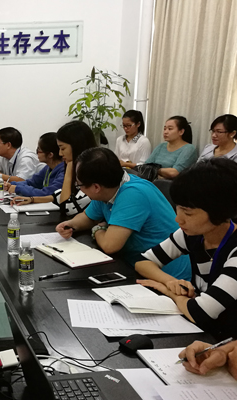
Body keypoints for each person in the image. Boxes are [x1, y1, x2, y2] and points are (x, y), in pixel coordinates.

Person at [135, 158, 237, 338]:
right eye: (178, 209)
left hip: (225, 339)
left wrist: (168, 291)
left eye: (188, 213)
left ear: (219, 211)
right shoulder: (193, 234)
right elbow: (143, 262)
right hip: (199, 330)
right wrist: (170, 281)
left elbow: (201, 313)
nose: (178, 219)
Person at [55, 148, 191, 279]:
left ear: (96, 187)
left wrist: (97, 230)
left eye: (79, 185)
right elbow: (88, 217)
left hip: (167, 276)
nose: (81, 190)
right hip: (136, 265)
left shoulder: (133, 194)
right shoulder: (108, 188)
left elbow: (110, 246)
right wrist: (70, 224)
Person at [12, 121, 96, 216]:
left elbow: (66, 206)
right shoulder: (51, 168)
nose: (60, 153)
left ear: (77, 146)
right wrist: (32, 199)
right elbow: (56, 195)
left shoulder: (90, 174)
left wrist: (69, 166)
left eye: (63, 148)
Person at [4, 132, 64, 197]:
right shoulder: (48, 168)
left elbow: (47, 193)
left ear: (50, 155)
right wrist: (11, 184)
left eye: (39, 149)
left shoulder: (63, 172)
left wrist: (18, 188)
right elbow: (32, 182)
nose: (36, 152)